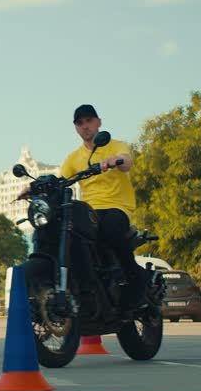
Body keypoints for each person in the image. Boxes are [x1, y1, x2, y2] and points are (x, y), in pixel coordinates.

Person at [57, 103, 148, 319]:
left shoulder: (114, 145)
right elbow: (61, 180)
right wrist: (34, 187)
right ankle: (85, 286)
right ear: (76, 128)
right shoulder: (74, 158)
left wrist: (114, 161)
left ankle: (134, 276)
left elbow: (127, 162)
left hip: (117, 207)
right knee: (70, 234)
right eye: (80, 123)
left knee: (110, 226)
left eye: (89, 121)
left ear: (99, 122)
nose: (85, 126)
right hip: (90, 210)